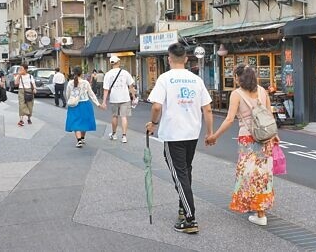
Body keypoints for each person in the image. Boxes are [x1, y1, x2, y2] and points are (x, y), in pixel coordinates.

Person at [145, 42, 213, 234]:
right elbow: (207, 108)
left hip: (173, 134)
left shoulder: (165, 78)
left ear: (169, 59)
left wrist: (153, 123)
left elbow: (156, 106)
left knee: (179, 174)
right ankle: (183, 209)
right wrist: (209, 133)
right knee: (185, 171)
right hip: (192, 133)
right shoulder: (196, 80)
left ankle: (190, 219)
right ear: (185, 59)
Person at [205, 64, 277, 227]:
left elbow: (230, 119)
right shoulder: (262, 91)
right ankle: (260, 209)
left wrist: (214, 136)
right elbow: (269, 115)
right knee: (263, 175)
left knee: (248, 174)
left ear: (238, 77)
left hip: (248, 138)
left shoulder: (236, 94)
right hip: (265, 138)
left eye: (235, 76)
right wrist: (275, 135)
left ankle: (260, 213)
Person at [65, 66, 103, 148]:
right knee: (84, 121)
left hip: (74, 105)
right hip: (85, 104)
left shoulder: (70, 83)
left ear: (73, 73)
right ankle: (82, 138)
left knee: (75, 122)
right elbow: (91, 94)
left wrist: (69, 101)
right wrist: (98, 103)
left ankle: (79, 140)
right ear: (81, 73)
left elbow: (67, 94)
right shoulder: (85, 82)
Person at [102, 56, 136, 143]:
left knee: (114, 116)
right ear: (118, 62)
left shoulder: (108, 74)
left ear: (111, 64)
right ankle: (124, 136)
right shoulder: (125, 73)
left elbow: (106, 89)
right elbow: (131, 86)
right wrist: (134, 97)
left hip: (114, 98)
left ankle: (114, 134)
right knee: (124, 117)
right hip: (125, 97)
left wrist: (104, 101)